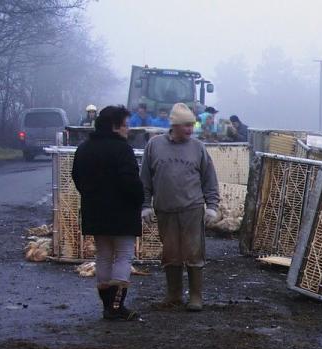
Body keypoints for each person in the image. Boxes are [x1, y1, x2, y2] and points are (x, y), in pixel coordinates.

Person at [140, 102, 221, 311]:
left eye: (191, 125)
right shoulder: (155, 145)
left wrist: (212, 205)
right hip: (165, 209)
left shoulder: (197, 148)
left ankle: (195, 296)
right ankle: (174, 294)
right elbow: (145, 179)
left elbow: (209, 179)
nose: (190, 129)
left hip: (191, 208)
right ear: (174, 125)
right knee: (171, 252)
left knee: (194, 252)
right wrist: (145, 205)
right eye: (185, 125)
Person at [71, 105, 144, 321]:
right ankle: (116, 306)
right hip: (122, 212)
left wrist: (91, 196)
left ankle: (106, 306)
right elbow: (131, 181)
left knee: (103, 255)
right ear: (114, 126)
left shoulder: (84, 148)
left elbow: (77, 177)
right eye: (125, 125)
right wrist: (138, 200)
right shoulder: (122, 149)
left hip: (95, 211)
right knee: (123, 255)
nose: (127, 130)